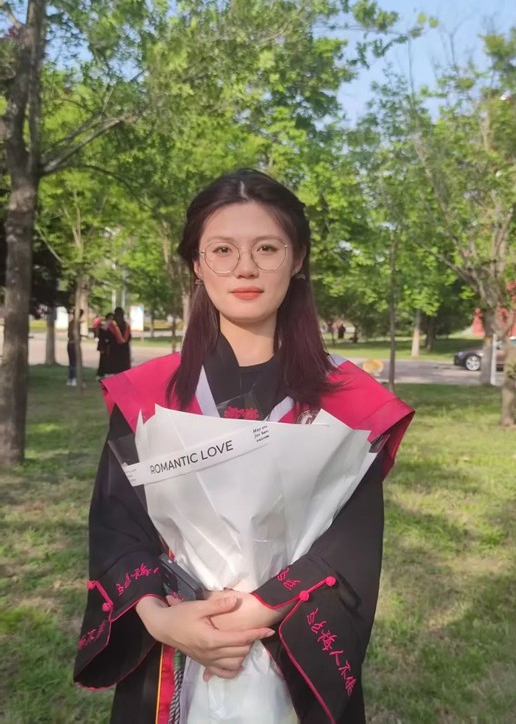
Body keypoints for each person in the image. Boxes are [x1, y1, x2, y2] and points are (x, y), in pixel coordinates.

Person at [74, 169, 414, 723]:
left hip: (287, 642)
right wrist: (160, 617)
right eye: (222, 249)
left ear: (297, 258)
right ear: (196, 263)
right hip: (169, 653)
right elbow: (116, 523)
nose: (245, 268)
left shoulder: (348, 401)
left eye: (267, 248)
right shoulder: (151, 394)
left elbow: (353, 541)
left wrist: (257, 610)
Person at [104, 306, 131, 374]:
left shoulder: (111, 326)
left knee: (115, 368)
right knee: (123, 369)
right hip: (124, 351)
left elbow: (107, 337)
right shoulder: (126, 326)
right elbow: (129, 338)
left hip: (114, 350)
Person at [67, 308, 84, 386]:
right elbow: (71, 334)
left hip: (72, 343)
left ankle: (71, 379)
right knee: (74, 362)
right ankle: (73, 378)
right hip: (73, 344)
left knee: (72, 362)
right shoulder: (74, 323)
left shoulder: (73, 323)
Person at [96, 312, 114, 379]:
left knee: (109, 360)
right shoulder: (103, 327)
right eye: (110, 319)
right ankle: (101, 373)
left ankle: (108, 372)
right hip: (104, 347)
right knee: (103, 360)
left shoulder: (113, 328)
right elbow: (101, 338)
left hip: (110, 347)